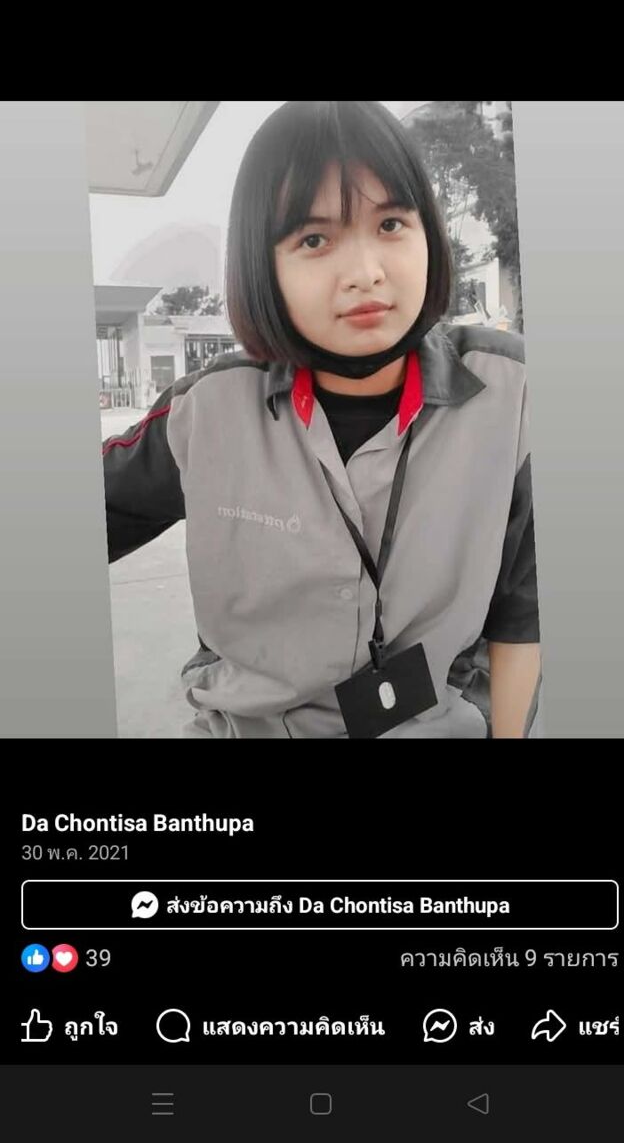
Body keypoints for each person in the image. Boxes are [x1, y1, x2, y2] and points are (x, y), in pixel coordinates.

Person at [103, 101, 541, 739]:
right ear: (262, 264)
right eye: (314, 239)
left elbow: (523, 618)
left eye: (390, 223)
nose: (365, 273)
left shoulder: (513, 394)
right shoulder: (205, 414)